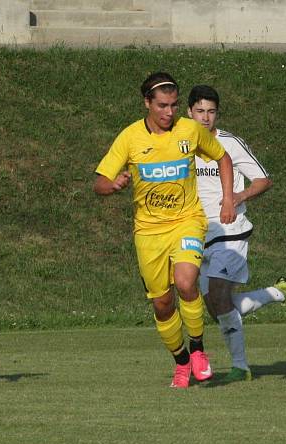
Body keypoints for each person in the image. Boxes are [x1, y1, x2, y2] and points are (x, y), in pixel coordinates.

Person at [94, 72, 237, 389]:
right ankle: (182, 361)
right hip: (149, 232)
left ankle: (198, 348)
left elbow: (223, 157)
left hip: (187, 221)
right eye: (162, 106)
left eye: (173, 105)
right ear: (147, 103)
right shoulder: (130, 138)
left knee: (187, 282)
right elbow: (99, 181)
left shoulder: (189, 131)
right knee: (162, 304)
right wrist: (113, 185)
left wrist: (228, 199)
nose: (169, 113)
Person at [187, 85, 286, 382]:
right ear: (188, 112)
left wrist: (236, 197)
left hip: (231, 230)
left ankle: (240, 367)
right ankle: (277, 292)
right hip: (196, 231)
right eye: (200, 111)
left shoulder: (229, 144)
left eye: (211, 112)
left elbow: (263, 180)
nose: (205, 118)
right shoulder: (180, 143)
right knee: (217, 308)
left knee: (217, 293)